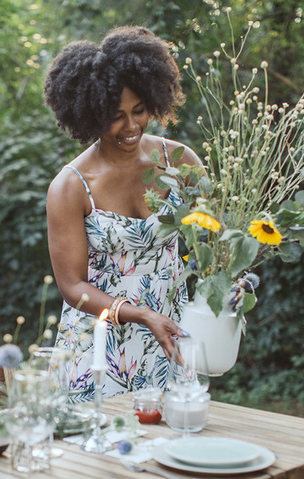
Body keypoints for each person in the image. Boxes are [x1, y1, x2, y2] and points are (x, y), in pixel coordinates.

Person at [44, 26, 203, 402]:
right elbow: (72, 286)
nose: (131, 126)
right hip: (98, 345)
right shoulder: (70, 187)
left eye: (139, 111)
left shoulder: (180, 161)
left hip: (168, 336)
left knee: (171, 435)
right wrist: (141, 314)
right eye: (115, 116)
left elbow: (214, 241)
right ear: (91, 114)